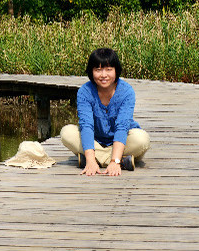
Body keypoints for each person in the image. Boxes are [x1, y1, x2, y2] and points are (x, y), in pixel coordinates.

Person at [60, 48, 150, 176]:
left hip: (122, 141)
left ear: (116, 71)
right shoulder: (85, 92)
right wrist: (92, 160)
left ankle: (100, 159)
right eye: (98, 70)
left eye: (108, 69)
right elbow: (86, 126)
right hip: (95, 140)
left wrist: (115, 160)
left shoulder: (126, 92)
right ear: (91, 72)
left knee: (142, 139)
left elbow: (122, 127)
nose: (103, 75)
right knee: (67, 133)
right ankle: (119, 160)